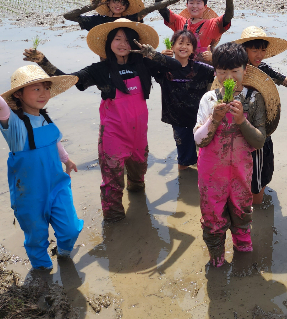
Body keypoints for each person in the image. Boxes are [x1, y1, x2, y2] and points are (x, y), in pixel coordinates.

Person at [23, 19, 185, 223]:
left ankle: (138, 202)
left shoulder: (144, 64)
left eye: (128, 40)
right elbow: (68, 80)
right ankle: (114, 222)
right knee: (112, 181)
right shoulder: (101, 69)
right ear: (109, 43)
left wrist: (152, 53)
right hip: (113, 134)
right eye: (118, 39)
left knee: (138, 177)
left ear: (135, 44)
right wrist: (43, 61)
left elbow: (177, 66)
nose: (123, 44)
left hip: (138, 134)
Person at [0, 66, 83, 269]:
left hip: (57, 185)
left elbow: (55, 141)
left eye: (45, 88)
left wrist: (66, 159)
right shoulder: (14, 125)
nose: (43, 94)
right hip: (29, 193)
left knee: (71, 229)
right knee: (36, 235)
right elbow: (0, 107)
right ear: (19, 94)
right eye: (36, 89)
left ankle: (64, 253)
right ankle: (42, 270)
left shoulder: (45, 118)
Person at [193, 43, 269, 267]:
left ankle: (243, 249)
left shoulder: (254, 99)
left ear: (245, 70)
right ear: (215, 71)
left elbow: (259, 140)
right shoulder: (209, 99)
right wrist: (214, 119)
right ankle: (216, 256)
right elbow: (198, 139)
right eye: (222, 72)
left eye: (234, 71)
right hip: (210, 173)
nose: (229, 77)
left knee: (242, 210)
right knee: (212, 216)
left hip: (240, 172)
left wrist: (241, 121)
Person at [235, 26, 287, 205]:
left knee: (262, 170)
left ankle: (257, 203)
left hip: (260, 126)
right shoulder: (233, 70)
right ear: (244, 49)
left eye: (262, 50)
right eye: (255, 50)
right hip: (239, 126)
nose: (259, 55)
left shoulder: (263, 68)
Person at [145, 0, 234, 64]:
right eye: (191, 2)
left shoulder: (213, 24)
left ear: (205, 7)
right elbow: (162, 9)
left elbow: (228, 15)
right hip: (181, 70)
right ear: (187, 5)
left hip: (203, 72)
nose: (194, 6)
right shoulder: (180, 22)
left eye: (198, 3)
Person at [156, 29, 215, 173]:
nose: (184, 47)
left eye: (188, 44)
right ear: (172, 46)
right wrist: (160, 58)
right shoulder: (165, 69)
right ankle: (185, 183)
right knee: (184, 159)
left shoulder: (202, 69)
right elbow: (146, 67)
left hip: (201, 119)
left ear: (193, 49)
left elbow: (223, 73)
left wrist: (214, 59)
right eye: (180, 43)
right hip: (179, 121)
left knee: (206, 153)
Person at [63, 0, 187, 31]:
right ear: (108, 2)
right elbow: (68, 16)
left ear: (127, 6)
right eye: (116, 0)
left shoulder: (132, 18)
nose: (119, 5)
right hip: (107, 66)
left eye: (123, 2)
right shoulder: (97, 21)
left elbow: (154, 7)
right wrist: (91, 7)